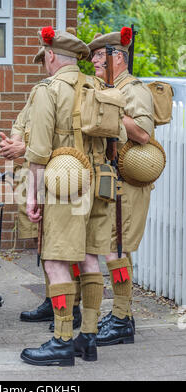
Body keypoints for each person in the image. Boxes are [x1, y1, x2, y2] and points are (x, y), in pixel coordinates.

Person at [20, 27, 122, 366]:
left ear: (50, 56)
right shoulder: (96, 86)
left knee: (56, 259)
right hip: (99, 182)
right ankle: (88, 338)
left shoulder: (48, 90)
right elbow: (116, 134)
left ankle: (62, 341)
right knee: (91, 257)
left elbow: (37, 151)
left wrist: (33, 196)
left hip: (67, 181)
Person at [0, 43, 82, 330]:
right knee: (44, 241)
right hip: (42, 174)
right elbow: (21, 122)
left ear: (51, 57)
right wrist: (15, 143)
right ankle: (54, 301)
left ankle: (70, 311)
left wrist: (24, 147)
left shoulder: (64, 89)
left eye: (44, 59)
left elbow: (55, 138)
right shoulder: (42, 91)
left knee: (63, 247)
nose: (43, 66)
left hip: (62, 178)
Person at [87, 29, 154, 346]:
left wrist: (112, 107)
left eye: (101, 55)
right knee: (113, 251)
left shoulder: (134, 90)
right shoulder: (111, 88)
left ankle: (122, 318)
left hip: (128, 185)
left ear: (118, 58)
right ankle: (120, 315)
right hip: (111, 184)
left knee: (117, 252)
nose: (96, 61)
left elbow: (142, 132)